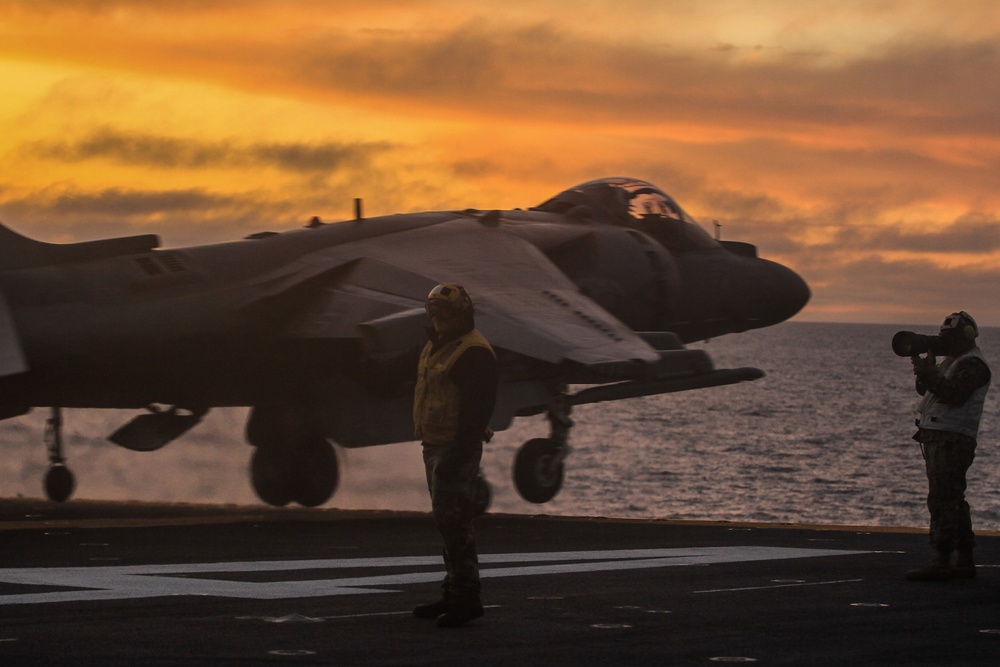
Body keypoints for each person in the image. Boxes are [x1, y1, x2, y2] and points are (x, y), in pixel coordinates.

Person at [411, 283, 498, 627]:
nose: (438, 318)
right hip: (434, 445)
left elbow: (477, 413)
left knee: (456, 524)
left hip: (454, 449)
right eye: (433, 312)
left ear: (461, 315)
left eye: (444, 313)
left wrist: (457, 456)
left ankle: (467, 598)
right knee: (446, 524)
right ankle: (452, 592)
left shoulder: (473, 352)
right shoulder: (438, 346)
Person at [905, 311, 991, 581]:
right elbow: (927, 391)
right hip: (940, 435)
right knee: (953, 498)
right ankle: (963, 559)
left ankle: (941, 559)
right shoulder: (952, 362)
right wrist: (926, 371)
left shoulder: (974, 365)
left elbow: (954, 394)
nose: (945, 343)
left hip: (952, 437)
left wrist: (930, 372)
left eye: (949, 338)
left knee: (942, 498)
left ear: (966, 338)